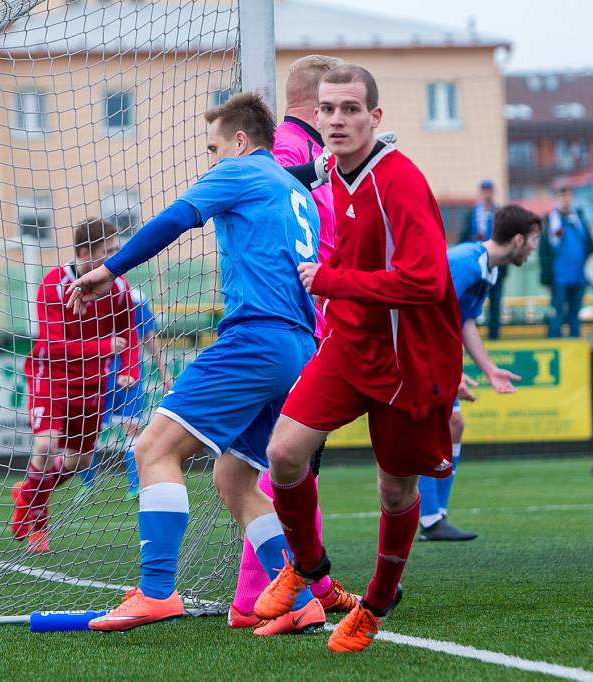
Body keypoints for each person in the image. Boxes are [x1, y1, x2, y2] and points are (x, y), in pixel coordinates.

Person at [68, 92, 351, 635]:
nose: (211, 161)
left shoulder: (240, 173)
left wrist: (110, 268)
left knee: (153, 448)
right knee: (235, 478)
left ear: (241, 144)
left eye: (214, 148)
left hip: (256, 338)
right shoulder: (294, 188)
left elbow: (176, 218)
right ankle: (295, 599)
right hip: (298, 350)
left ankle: (156, 593)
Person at [253, 64, 463, 654]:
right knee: (284, 453)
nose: (337, 119)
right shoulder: (330, 166)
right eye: (327, 109)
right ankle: (309, 570)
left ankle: (374, 604)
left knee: (395, 493)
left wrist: (333, 281)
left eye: (350, 109)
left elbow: (425, 281)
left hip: (405, 362)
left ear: (376, 117)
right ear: (314, 116)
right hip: (348, 347)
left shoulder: (400, 181)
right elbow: (299, 172)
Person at [228, 54, 359, 630]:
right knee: (288, 466)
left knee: (279, 465)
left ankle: (275, 590)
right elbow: (272, 185)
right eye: (333, 105)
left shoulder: (307, 149)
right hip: (290, 328)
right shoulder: (288, 147)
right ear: (314, 103)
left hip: (299, 325)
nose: (339, 116)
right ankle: (292, 590)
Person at [10, 218, 139, 553]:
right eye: (108, 252)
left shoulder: (120, 287)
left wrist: (130, 368)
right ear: (84, 253)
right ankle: (38, 523)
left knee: (79, 462)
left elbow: (130, 334)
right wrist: (105, 349)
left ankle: (27, 492)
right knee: (45, 445)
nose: (115, 258)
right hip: (50, 377)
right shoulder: (53, 284)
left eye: (117, 251)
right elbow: (52, 346)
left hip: (91, 383)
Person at [419, 205, 543, 542]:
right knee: (427, 431)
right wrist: (447, 371)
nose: (534, 248)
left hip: (433, 353)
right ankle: (429, 519)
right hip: (414, 347)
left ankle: (436, 517)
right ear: (518, 240)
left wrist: (489, 369)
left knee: (453, 423)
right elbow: (430, 314)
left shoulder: (487, 270)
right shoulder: (465, 263)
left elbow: (463, 320)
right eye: (533, 241)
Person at [80, 286, 172, 498]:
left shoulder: (135, 297)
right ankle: (87, 485)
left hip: (128, 373)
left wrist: (164, 372)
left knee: (133, 429)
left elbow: (148, 335)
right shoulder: (85, 293)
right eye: (107, 250)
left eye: (114, 250)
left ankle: (136, 486)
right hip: (95, 375)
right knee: (87, 430)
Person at [540, 185, 592, 338]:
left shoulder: (579, 220)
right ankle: (555, 346)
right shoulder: (551, 221)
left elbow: (588, 246)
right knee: (557, 313)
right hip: (559, 278)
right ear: (556, 199)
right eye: (562, 196)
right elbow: (544, 251)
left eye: (568, 196)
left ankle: (574, 348)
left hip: (578, 277)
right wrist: (547, 278)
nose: (565, 200)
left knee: (575, 314)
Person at [460, 180, 505, 339]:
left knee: (495, 304)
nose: (487, 194)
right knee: (472, 302)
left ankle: (494, 336)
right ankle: (472, 337)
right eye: (484, 190)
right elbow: (463, 239)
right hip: (476, 267)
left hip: (496, 266)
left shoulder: (499, 213)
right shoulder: (472, 214)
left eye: (490, 190)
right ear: (481, 193)